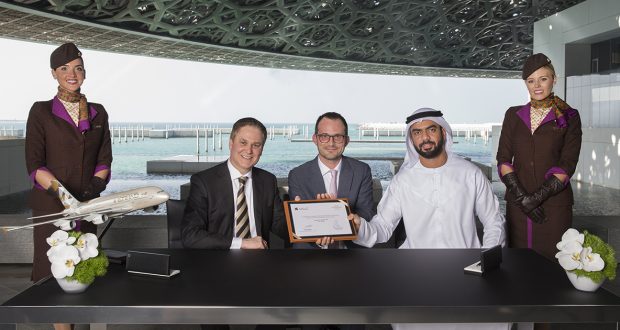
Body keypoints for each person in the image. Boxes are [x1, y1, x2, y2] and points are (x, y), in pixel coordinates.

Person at [350, 108, 507, 330]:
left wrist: (488, 260)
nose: (424, 137)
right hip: (416, 272)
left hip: (467, 269)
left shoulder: (470, 173)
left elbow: (493, 220)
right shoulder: (402, 181)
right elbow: (383, 227)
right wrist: (357, 227)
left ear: (443, 132)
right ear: (411, 138)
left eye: (430, 130)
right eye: (417, 132)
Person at [25, 42, 112, 330]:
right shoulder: (41, 112)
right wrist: (65, 197)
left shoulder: (99, 113)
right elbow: (35, 166)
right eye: (64, 69)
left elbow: (104, 160)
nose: (71, 74)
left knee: (85, 272)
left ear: (84, 73)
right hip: (52, 205)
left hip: (86, 205)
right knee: (57, 275)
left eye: (77, 68)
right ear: (54, 73)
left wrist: (90, 192)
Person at [496, 53, 582, 260]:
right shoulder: (512, 115)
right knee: (518, 265)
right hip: (518, 204)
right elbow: (503, 160)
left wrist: (535, 199)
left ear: (554, 79)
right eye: (531, 80)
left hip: (554, 204)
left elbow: (567, 165)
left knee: (554, 264)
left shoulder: (570, 116)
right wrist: (523, 199)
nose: (537, 85)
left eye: (543, 79)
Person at [181, 117, 288, 250]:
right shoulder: (204, 182)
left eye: (256, 145)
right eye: (243, 142)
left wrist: (300, 214)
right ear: (231, 144)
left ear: (262, 149)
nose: (249, 151)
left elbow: (282, 228)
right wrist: (242, 243)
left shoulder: (268, 181)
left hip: (259, 261)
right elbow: (191, 236)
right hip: (218, 260)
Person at [288, 112, 374, 250]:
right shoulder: (298, 175)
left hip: (352, 251)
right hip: (311, 252)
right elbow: (300, 224)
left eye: (338, 137)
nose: (331, 143)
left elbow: (367, 213)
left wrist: (337, 209)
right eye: (324, 137)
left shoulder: (361, 171)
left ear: (346, 140)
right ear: (315, 139)